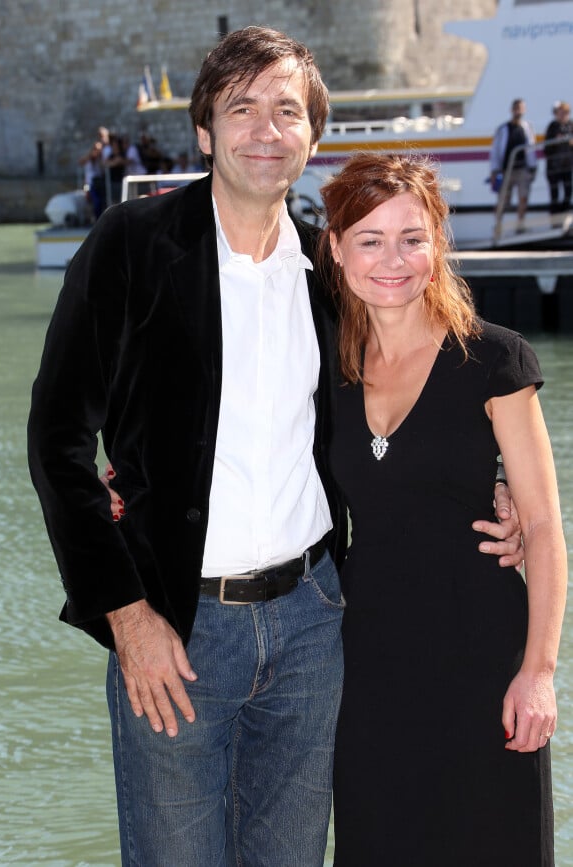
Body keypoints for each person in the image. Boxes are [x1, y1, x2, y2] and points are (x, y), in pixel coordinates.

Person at [28, 28, 522, 867]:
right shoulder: (133, 245)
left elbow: (412, 385)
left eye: (286, 110)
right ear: (205, 131)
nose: (265, 128)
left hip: (312, 626)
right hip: (175, 628)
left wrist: (497, 480)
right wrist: (127, 613)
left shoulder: (332, 276)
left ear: (312, 135)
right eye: (242, 108)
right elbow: (57, 440)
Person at [317, 152, 567, 866]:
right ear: (336, 249)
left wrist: (539, 671)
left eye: (412, 237)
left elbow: (545, 525)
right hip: (366, 666)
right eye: (369, 239)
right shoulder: (326, 371)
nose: (392, 259)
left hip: (483, 659)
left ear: (438, 243)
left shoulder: (495, 360)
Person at [490, 98, 537, 238]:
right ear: (512, 110)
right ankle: (498, 226)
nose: (519, 111)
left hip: (522, 169)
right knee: (503, 200)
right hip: (506, 170)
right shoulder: (503, 129)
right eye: (517, 108)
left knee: (523, 197)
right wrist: (494, 170)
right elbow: (495, 151)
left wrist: (533, 167)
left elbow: (531, 149)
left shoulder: (527, 127)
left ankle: (520, 226)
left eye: (521, 108)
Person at [544, 100, 573, 218]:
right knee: (554, 192)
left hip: (567, 165)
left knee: (568, 190)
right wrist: (556, 141)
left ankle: (565, 214)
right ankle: (554, 217)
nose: (564, 115)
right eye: (561, 112)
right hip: (554, 166)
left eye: (566, 112)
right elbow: (546, 147)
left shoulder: (571, 125)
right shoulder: (552, 126)